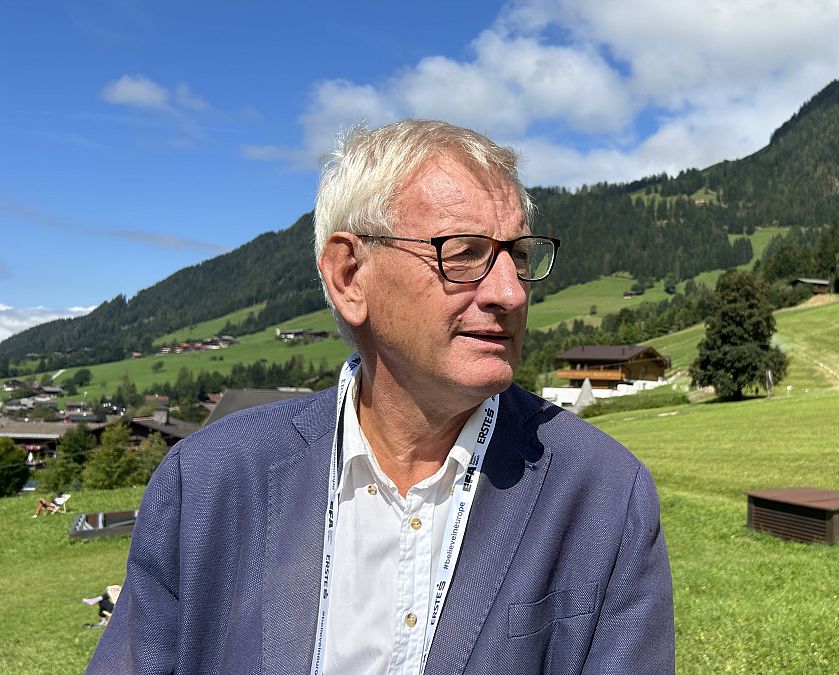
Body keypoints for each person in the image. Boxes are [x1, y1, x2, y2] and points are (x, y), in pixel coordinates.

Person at [88, 120, 674, 674]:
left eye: (517, 257)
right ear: (349, 276)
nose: (509, 293)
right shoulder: (209, 480)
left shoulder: (602, 493)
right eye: (464, 252)